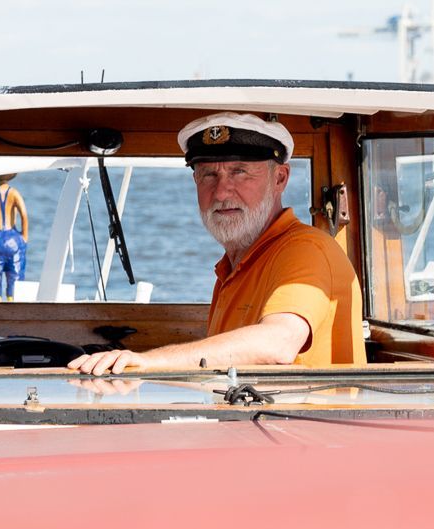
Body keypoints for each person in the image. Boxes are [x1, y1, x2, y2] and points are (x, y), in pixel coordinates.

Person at [68, 112, 365, 376]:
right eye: (209, 174)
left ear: (280, 178)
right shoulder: (234, 266)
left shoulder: (305, 249)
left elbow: (279, 343)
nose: (222, 191)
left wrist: (147, 362)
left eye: (239, 172)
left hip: (306, 433)